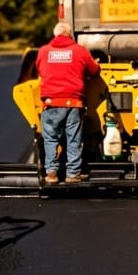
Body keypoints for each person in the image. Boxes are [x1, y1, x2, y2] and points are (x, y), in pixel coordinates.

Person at [36, 21, 100, 184]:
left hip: (51, 103)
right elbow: (94, 71)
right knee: (74, 139)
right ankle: (72, 174)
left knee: (50, 139)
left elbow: (40, 69)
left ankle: (51, 174)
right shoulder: (80, 51)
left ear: (55, 35)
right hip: (73, 103)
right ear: (70, 35)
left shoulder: (43, 52)